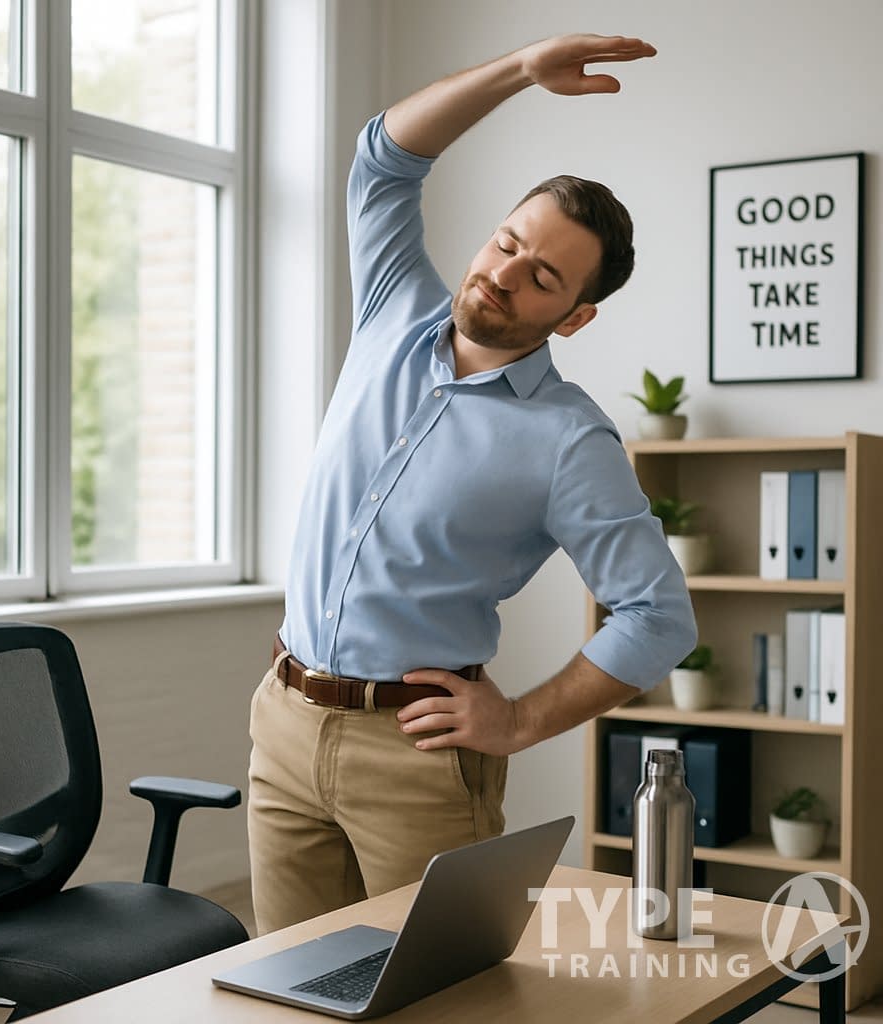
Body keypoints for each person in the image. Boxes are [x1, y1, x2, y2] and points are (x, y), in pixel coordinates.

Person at [247, 32, 697, 936]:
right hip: (284, 721)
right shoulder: (392, 309)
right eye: (506, 242)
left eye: (541, 278)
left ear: (575, 316)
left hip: (416, 755)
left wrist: (522, 721)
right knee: (283, 988)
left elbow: (660, 617)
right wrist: (520, 71)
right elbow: (382, 161)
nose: (500, 277)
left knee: (438, 999)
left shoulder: (571, 439)